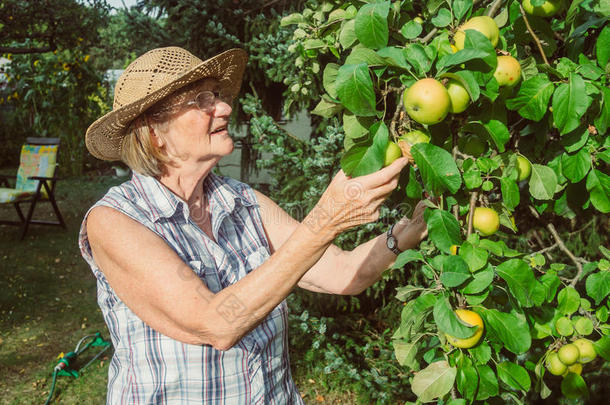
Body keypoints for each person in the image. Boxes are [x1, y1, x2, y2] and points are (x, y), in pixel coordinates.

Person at [79, 46, 429, 404]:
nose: (225, 107)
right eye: (202, 101)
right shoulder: (115, 220)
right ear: (154, 131)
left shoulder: (242, 201)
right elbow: (214, 324)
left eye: (216, 94)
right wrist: (326, 220)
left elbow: (341, 272)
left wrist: (406, 232)